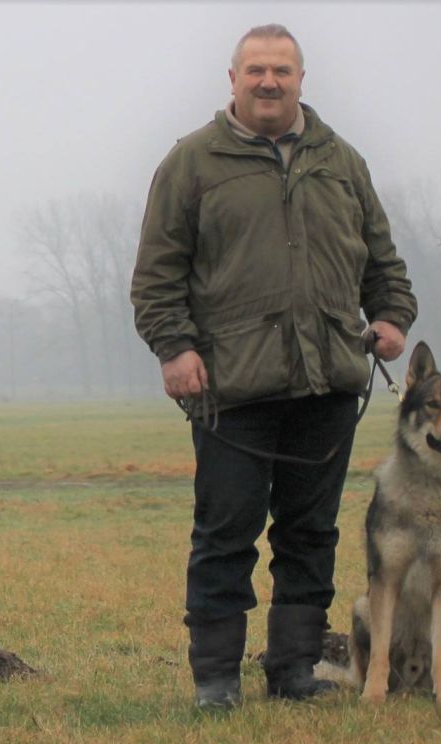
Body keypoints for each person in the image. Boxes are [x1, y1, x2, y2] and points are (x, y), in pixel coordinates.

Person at [130, 24, 417, 708]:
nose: (268, 82)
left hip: (327, 383)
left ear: (300, 80)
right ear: (232, 79)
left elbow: (385, 264)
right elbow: (156, 276)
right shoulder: (192, 163)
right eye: (255, 69)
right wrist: (175, 348)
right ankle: (217, 681)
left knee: (311, 533)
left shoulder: (342, 160)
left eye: (281, 71)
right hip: (230, 388)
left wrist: (392, 318)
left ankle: (294, 672)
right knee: (226, 534)